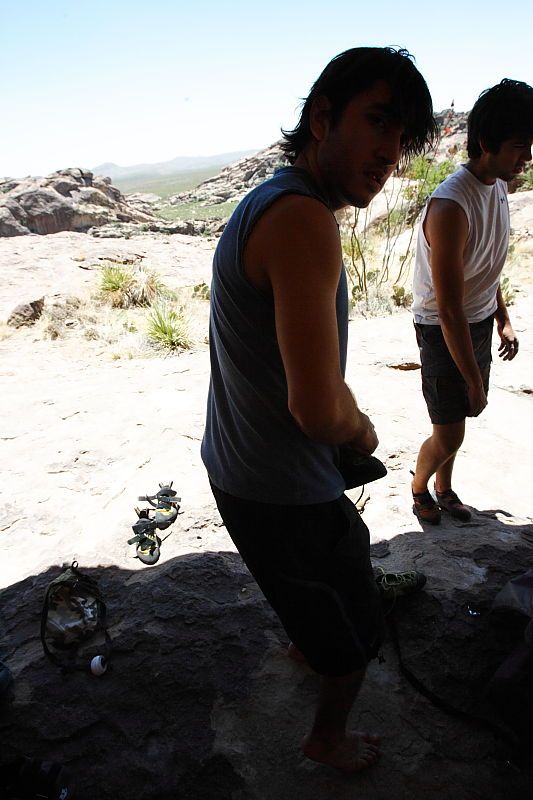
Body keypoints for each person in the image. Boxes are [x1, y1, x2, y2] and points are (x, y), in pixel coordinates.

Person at [201, 47, 437, 772]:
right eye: (377, 124)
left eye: (401, 140)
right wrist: (359, 428)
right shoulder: (302, 219)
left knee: (313, 595)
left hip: (241, 467)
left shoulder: (270, 202)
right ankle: (326, 740)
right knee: (359, 631)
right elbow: (314, 408)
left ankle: (309, 633)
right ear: (321, 117)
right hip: (282, 490)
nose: (388, 154)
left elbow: (300, 372)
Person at [411, 79, 533, 525]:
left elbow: (485, 263)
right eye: (520, 147)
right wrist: (474, 381)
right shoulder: (450, 206)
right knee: (449, 432)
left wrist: (503, 317)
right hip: (443, 327)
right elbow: (447, 309)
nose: (528, 158)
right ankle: (419, 487)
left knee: (455, 427)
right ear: (486, 143)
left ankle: (444, 488)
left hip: (477, 320)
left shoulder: (497, 184)